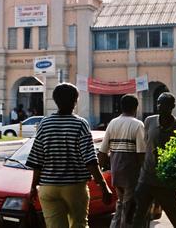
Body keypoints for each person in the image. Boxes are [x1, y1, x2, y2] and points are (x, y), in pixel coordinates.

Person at [26, 83, 112, 228]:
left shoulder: (44, 124)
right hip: (74, 187)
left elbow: (37, 159)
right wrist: (103, 185)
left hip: (48, 188)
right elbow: (90, 160)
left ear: (55, 101)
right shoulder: (80, 124)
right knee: (79, 224)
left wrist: (33, 187)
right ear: (75, 101)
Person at [131, 93, 176, 228]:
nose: (159, 106)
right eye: (158, 103)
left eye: (163, 104)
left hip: (167, 182)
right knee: (138, 215)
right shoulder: (149, 121)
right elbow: (145, 144)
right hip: (146, 179)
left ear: (172, 106)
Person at [98, 94, 145, 228]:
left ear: (121, 107)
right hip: (131, 172)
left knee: (121, 204)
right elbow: (141, 154)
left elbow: (102, 151)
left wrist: (98, 172)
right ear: (136, 107)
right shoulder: (137, 124)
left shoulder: (112, 123)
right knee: (129, 208)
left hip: (116, 171)